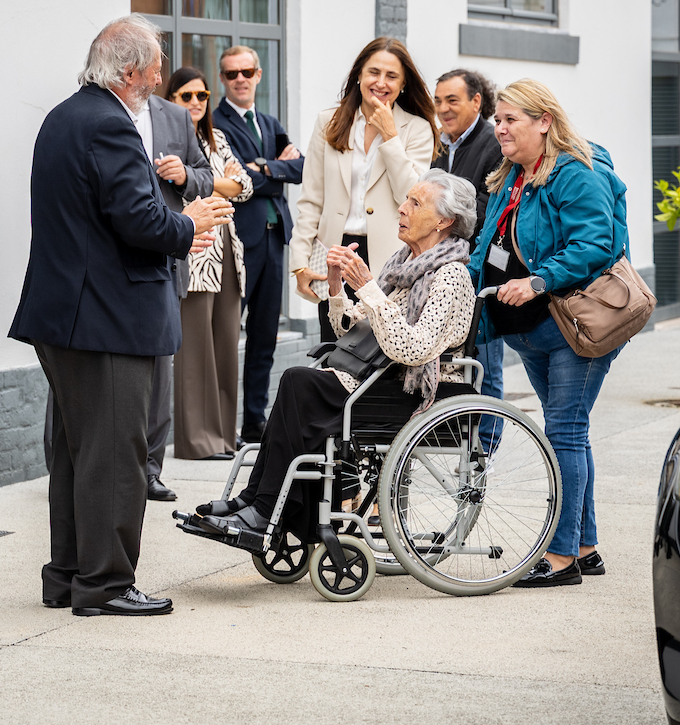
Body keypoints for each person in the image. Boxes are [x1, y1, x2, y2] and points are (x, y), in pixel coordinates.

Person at [8, 14, 232, 617]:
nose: (162, 75)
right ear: (130, 71)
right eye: (157, 65)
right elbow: (140, 221)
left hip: (71, 316)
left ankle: (69, 577)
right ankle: (105, 585)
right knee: (114, 457)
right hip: (106, 317)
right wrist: (194, 225)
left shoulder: (64, 115)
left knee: (80, 455)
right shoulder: (109, 125)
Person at [195, 170, 477, 538]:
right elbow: (354, 330)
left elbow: (413, 348)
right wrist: (336, 286)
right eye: (406, 199)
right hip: (379, 379)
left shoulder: (451, 275)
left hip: (414, 392)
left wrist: (369, 288)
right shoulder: (405, 265)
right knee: (299, 381)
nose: (402, 208)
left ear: (444, 221)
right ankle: (257, 501)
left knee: (299, 382)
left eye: (415, 202)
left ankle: (266, 509)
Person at [468, 78, 629, 588]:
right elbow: (485, 246)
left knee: (564, 432)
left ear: (545, 121)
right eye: (498, 119)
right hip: (530, 330)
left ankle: (560, 560)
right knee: (570, 434)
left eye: (510, 119)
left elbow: (595, 244)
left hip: (574, 326)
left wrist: (538, 280)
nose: (500, 128)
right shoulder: (510, 175)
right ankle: (585, 545)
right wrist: (458, 287)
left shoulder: (577, 173)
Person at [289, 37, 439, 343]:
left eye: (391, 76)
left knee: (377, 350)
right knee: (333, 347)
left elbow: (411, 197)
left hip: (388, 257)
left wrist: (390, 135)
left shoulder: (417, 129)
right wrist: (299, 262)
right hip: (334, 255)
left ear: (403, 84)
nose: (380, 82)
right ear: (359, 75)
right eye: (373, 72)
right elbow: (311, 198)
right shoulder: (328, 123)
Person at [212, 45, 305, 446]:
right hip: (240, 241)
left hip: (274, 240)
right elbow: (237, 185)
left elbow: (300, 169)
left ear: (259, 74)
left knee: (264, 335)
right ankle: (217, 424)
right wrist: (274, 168)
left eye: (247, 71)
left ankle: (254, 420)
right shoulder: (215, 123)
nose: (240, 79)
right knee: (228, 333)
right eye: (232, 74)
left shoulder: (269, 122)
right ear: (223, 79)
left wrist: (263, 167)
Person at [165, 67, 254, 463]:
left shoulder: (217, 138)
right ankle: (197, 441)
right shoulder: (166, 138)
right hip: (195, 251)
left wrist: (202, 178)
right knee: (195, 352)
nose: (197, 103)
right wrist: (219, 181)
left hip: (228, 255)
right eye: (187, 96)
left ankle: (222, 438)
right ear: (170, 99)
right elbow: (180, 184)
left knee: (224, 350)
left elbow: (246, 186)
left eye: (202, 96)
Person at [142, 77, 216, 503]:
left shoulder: (174, 118)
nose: (154, 77)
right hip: (110, 265)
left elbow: (208, 177)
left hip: (168, 259)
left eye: (158, 69)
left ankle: (151, 470)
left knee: (159, 367)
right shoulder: (95, 116)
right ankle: (68, 464)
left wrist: (185, 174)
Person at [431, 68, 505, 404]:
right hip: (448, 271)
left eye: (452, 100)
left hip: (478, 272)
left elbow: (488, 211)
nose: (443, 108)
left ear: (476, 101)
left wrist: (440, 206)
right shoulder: (442, 145)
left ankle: (484, 451)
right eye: (438, 101)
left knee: (483, 368)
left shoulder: (494, 144)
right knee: (456, 367)